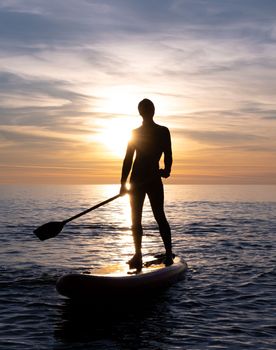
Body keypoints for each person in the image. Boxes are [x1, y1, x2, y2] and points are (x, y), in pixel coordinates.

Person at [120, 98, 173, 270]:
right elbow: (128, 159)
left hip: (147, 180)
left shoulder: (161, 131)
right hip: (140, 181)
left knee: (155, 217)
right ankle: (140, 254)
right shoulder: (158, 131)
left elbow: (168, 155)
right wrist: (166, 170)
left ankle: (165, 253)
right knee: (142, 218)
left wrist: (166, 170)